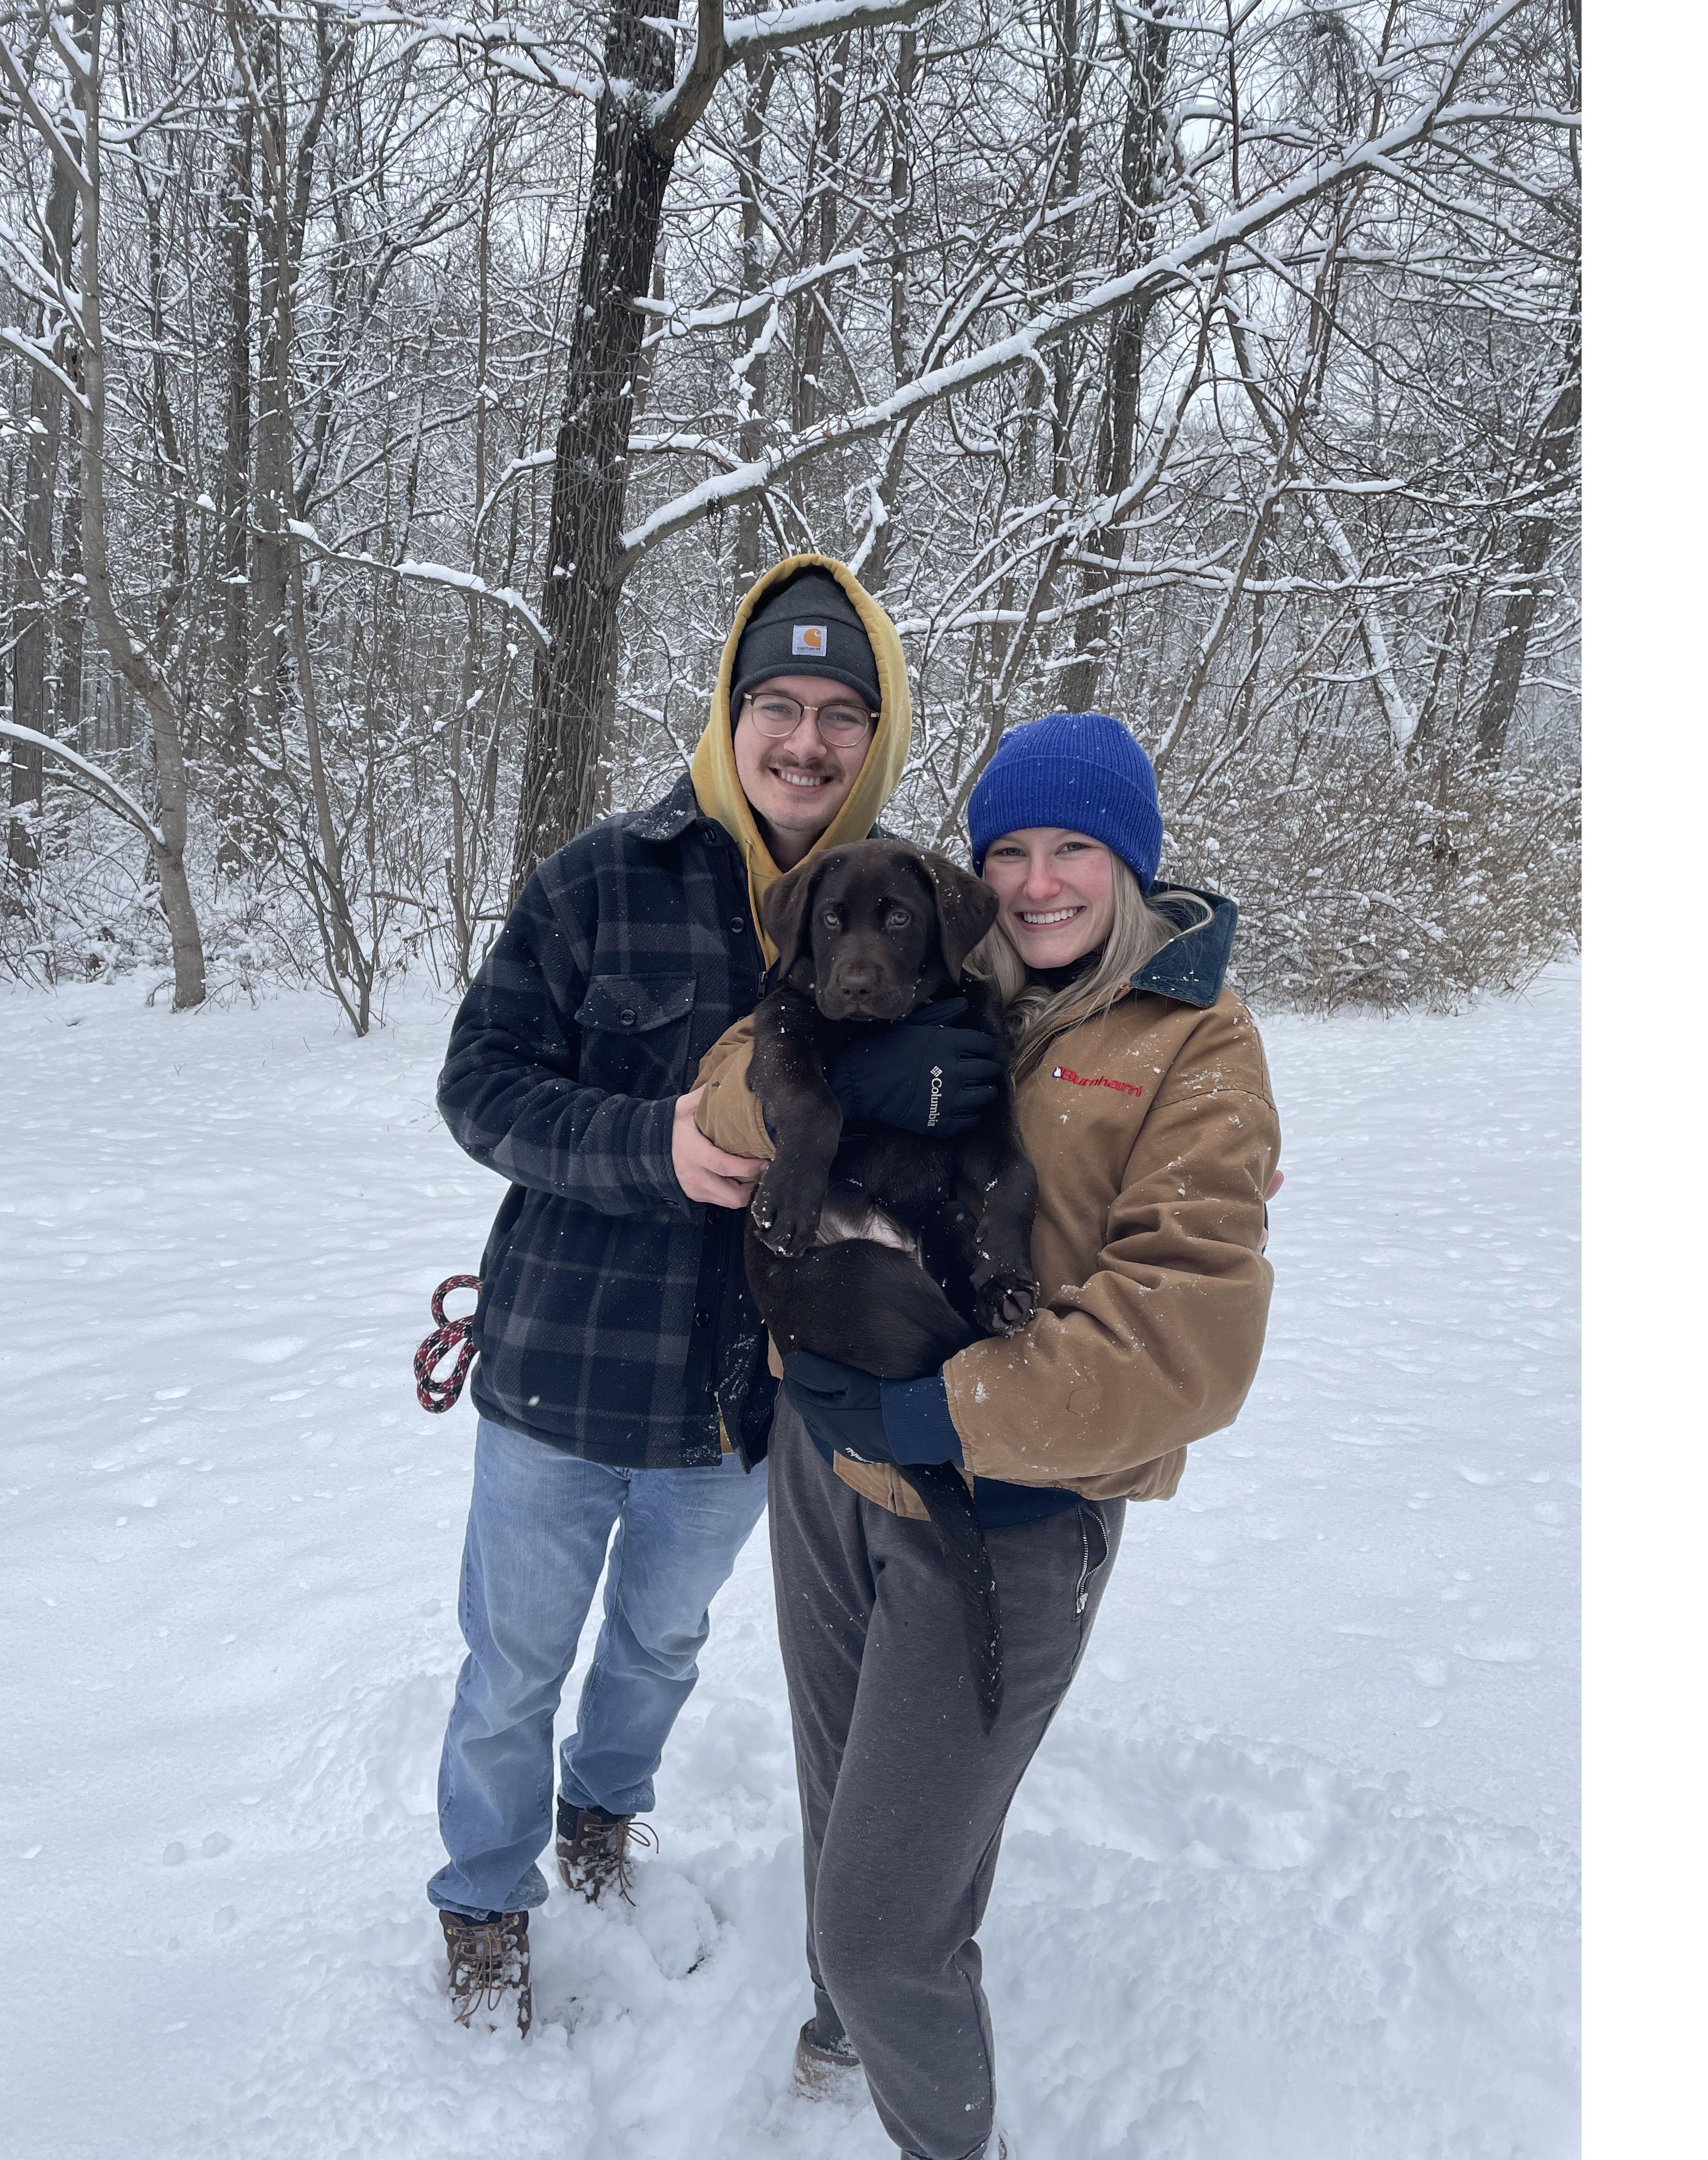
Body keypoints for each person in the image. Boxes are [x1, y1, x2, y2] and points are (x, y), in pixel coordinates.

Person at [426, 555, 1009, 2035]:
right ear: (730, 713)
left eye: (839, 712)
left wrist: (1190, 1148)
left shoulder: (917, 911)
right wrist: (650, 1145)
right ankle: (485, 1904)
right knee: (511, 1669)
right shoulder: (604, 875)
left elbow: (1074, 1026)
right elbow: (477, 1085)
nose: (805, 740)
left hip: (743, 1398)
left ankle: (601, 1828)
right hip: (563, 1364)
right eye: (777, 704)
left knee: (662, 1647)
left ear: (876, 736)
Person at [688, 709, 1282, 2159]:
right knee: (846, 1800)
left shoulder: (1196, 1050)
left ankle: (944, 2125)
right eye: (1008, 849)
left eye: (1073, 848)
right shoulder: (947, 975)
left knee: (887, 1924)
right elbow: (720, 1097)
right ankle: (845, 2035)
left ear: (1130, 864)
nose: (1036, 882)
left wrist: (939, 1410)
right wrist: (812, 1080)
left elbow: (1187, 1343)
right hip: (828, 1471)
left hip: (1006, 1517)